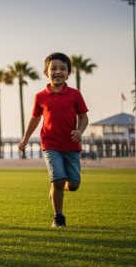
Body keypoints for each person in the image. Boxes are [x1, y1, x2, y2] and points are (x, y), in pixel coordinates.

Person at [17, 52, 89, 228]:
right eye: (53, 68)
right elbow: (35, 119)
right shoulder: (40, 96)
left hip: (71, 146)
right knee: (57, 179)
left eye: (62, 69)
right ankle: (58, 217)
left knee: (73, 184)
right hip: (50, 145)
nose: (58, 72)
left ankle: (56, 190)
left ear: (68, 73)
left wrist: (79, 131)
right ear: (46, 72)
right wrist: (25, 139)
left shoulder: (74, 95)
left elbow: (84, 117)